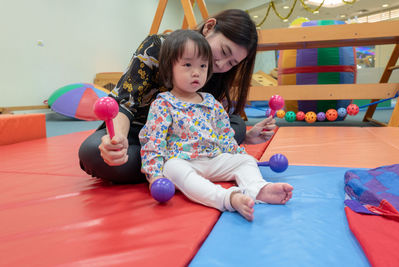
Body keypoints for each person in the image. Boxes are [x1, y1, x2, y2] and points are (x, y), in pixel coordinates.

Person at [79, 9, 276, 184]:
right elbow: (124, 104)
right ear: (209, 27)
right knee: (92, 151)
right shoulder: (157, 47)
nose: (221, 64)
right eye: (223, 51)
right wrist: (118, 140)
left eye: (231, 63)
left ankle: (176, 168)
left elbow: (212, 122)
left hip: (186, 143)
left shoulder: (216, 73)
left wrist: (246, 137)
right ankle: (177, 167)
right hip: (141, 133)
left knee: (237, 125)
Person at [139, 29, 293, 221]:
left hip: (213, 159)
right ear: (169, 68)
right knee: (171, 168)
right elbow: (153, 141)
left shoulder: (211, 101)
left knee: (246, 161)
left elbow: (225, 135)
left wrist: (238, 155)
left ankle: (258, 189)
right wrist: (154, 175)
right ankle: (227, 198)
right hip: (183, 161)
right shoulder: (163, 103)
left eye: (203, 66)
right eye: (187, 65)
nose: (196, 72)